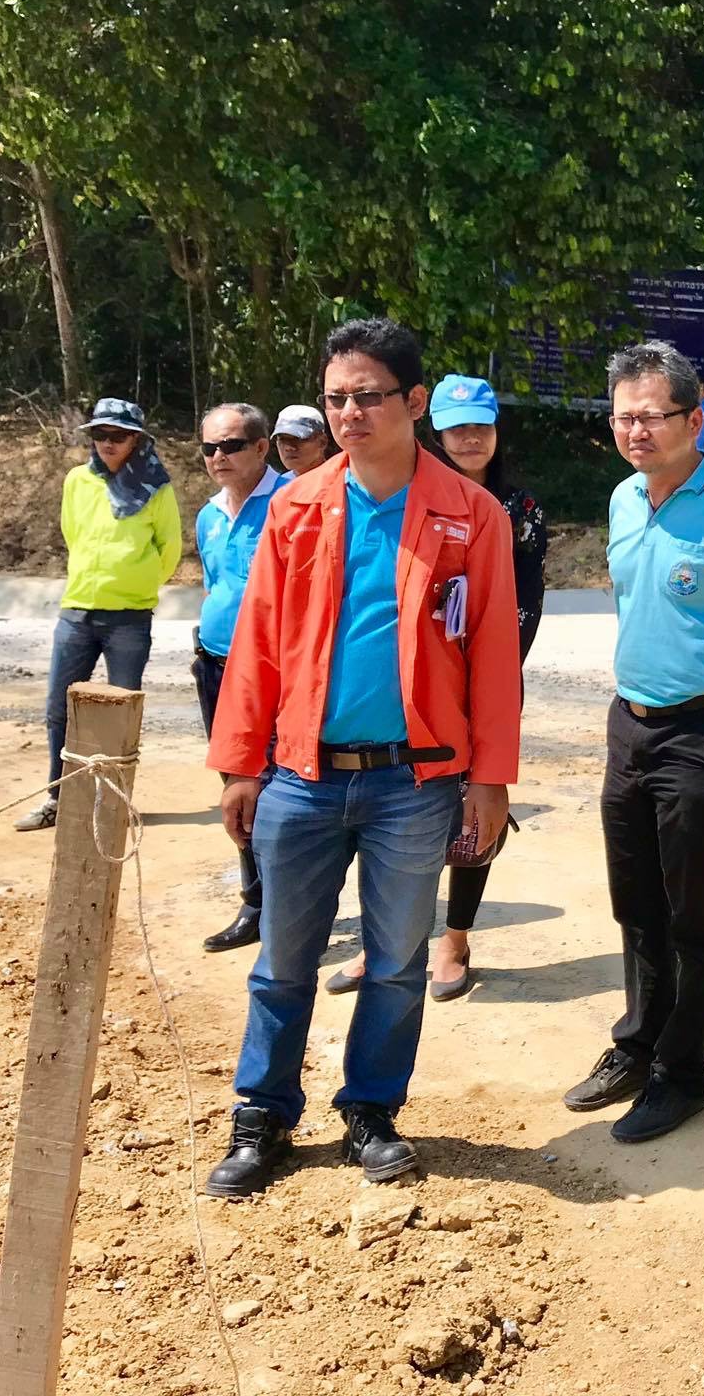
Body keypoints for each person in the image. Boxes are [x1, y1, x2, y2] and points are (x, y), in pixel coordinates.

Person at [202, 318, 522, 1197]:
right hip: (301, 778)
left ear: (414, 403)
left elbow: (494, 656)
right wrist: (241, 763)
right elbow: (257, 643)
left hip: (413, 784)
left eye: (368, 396)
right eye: (336, 397)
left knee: (396, 963)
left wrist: (490, 778)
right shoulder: (297, 508)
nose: (349, 413)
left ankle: (371, 1111)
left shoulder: (472, 514)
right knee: (283, 963)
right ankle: (262, 1116)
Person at [561, 340, 704, 1143]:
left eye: (654, 415)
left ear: (697, 422)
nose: (637, 430)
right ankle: (639, 1042)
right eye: (624, 416)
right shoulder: (625, 499)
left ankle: (682, 1072)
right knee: (636, 898)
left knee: (693, 905)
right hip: (631, 722)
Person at [327, 372, 549, 1001]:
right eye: (457, 428)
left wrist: (487, 679)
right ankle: (384, 939)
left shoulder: (520, 510)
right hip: (410, 685)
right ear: (436, 430)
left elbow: (525, 604)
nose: (470, 438)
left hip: (483, 683)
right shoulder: (408, 494)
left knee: (475, 813)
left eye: (481, 426)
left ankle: (455, 937)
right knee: (393, 808)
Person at [14, 398, 182, 831]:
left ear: (136, 440)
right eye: (100, 434)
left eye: (118, 435)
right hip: (77, 612)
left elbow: (169, 550)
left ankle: (113, 802)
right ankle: (58, 798)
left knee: (119, 716)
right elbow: (73, 534)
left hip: (129, 618)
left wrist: (136, 583)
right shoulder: (77, 481)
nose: (108, 443)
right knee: (59, 709)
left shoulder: (157, 488)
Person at [193, 402, 287, 953]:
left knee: (279, 789)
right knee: (236, 785)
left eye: (230, 446)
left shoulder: (290, 503)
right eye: (209, 448)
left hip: (272, 672)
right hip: (216, 664)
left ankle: (287, 907)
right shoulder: (208, 514)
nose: (218, 457)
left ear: (260, 448)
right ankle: (256, 902)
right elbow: (216, 585)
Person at [272, 403, 334, 475]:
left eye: (299, 439)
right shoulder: (279, 481)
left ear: (322, 442)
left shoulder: (340, 478)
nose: (288, 447)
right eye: (282, 439)